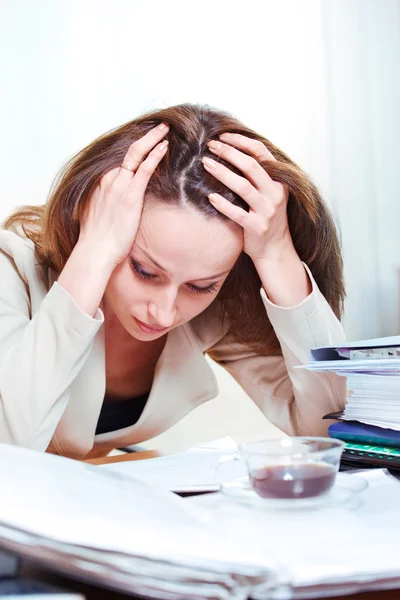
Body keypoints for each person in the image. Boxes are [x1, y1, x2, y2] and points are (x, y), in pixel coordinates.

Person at [0, 104, 346, 459]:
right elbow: (9, 451)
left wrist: (277, 254)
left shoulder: (219, 312)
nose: (163, 314)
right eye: (145, 271)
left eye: (200, 286)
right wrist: (93, 250)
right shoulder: (10, 267)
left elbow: (331, 428)